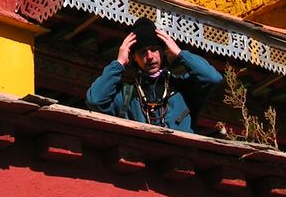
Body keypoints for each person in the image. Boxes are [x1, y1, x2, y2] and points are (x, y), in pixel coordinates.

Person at [86, 17, 222, 132]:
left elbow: (212, 78)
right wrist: (119, 62)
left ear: (163, 52)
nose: (149, 56)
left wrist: (180, 54)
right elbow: (95, 100)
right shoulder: (127, 95)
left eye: (154, 49)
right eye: (142, 52)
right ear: (134, 58)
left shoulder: (183, 88)